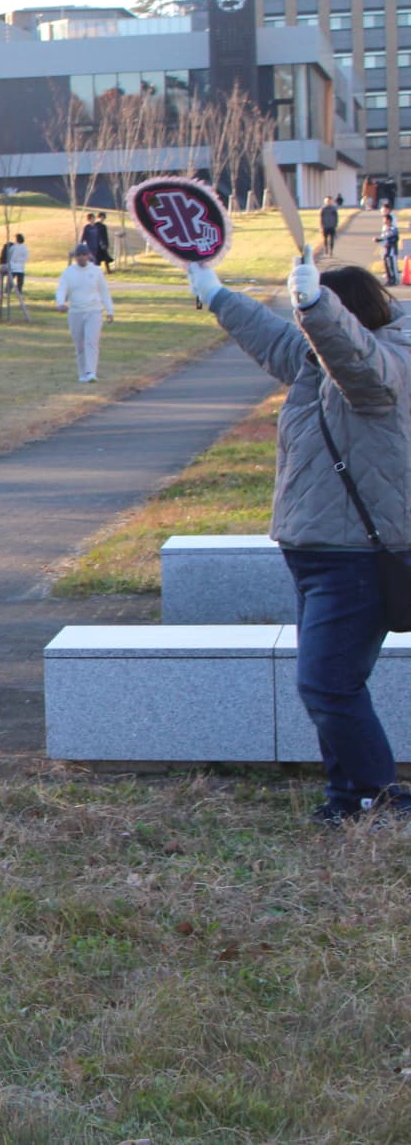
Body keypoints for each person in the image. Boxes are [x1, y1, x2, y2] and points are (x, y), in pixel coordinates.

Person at [188, 252, 411, 825]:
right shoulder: (315, 362)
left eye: (314, 318)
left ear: (342, 317)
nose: (305, 330)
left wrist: (315, 305)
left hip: (356, 558)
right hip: (314, 553)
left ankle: (370, 795)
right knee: (333, 683)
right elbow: (271, 338)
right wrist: (215, 293)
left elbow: (355, 362)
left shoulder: (384, 366)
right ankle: (353, 793)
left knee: (327, 683)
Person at [53, 244, 116, 382]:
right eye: (78, 255)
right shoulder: (68, 272)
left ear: (88, 256)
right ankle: (82, 374)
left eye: (83, 255)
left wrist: (110, 310)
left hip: (93, 310)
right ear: (75, 257)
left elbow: (104, 291)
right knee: (79, 344)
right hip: (75, 311)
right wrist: (60, 303)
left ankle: (91, 372)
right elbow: (61, 289)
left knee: (91, 341)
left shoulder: (96, 271)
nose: (81, 258)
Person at [379, 207, 399, 286]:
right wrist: (378, 240)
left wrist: (389, 244)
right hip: (385, 250)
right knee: (387, 265)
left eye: (385, 220)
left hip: (391, 251)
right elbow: (383, 238)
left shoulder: (393, 229)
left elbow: (395, 238)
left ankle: (394, 280)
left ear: (389, 220)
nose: (384, 221)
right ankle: (389, 279)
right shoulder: (386, 229)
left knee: (392, 266)